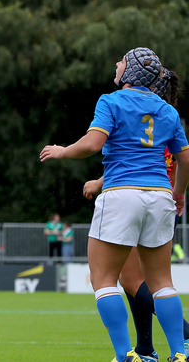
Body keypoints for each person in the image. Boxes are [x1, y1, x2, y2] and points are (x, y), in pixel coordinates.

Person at [40, 47, 189, 362]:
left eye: (122, 60)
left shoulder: (112, 100)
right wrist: (177, 193)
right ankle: (179, 353)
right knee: (163, 283)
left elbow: (94, 143)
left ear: (132, 71)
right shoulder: (167, 111)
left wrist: (62, 150)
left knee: (104, 279)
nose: (117, 63)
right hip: (160, 196)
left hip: (122, 196)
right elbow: (185, 160)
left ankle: (126, 355)